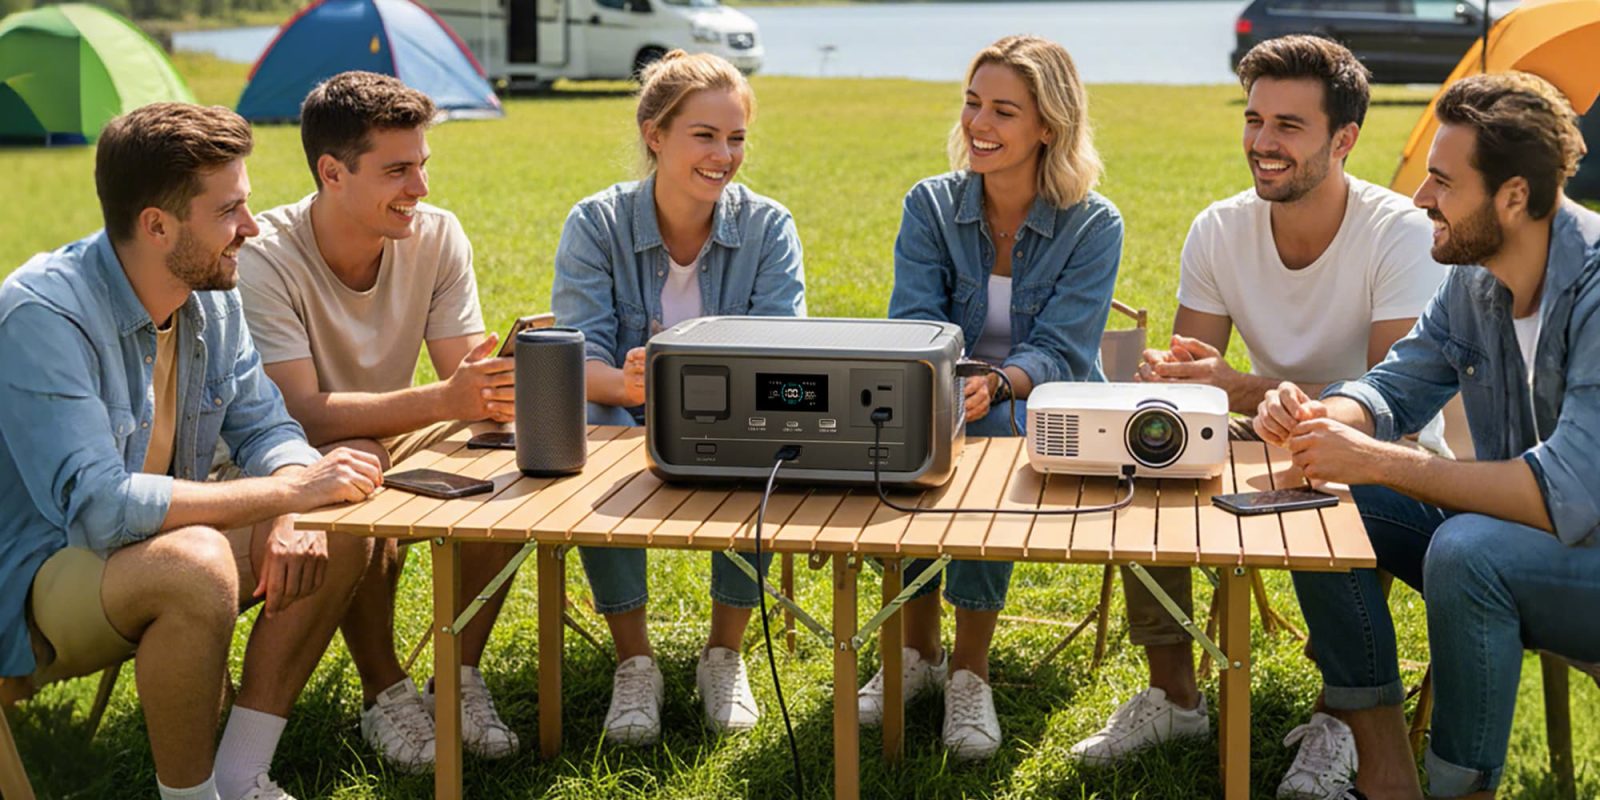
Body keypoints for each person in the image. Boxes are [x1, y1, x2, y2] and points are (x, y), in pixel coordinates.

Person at [1070, 35, 1448, 799]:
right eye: (1254, 120)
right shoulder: (1219, 227)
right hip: (1267, 441)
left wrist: (1241, 388)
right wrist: (1179, 382)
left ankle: (1342, 721)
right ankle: (1175, 697)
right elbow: (1192, 385)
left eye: (1287, 126)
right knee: (1150, 458)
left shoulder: (1398, 232)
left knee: (1323, 486)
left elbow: (1389, 401)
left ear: (1344, 139)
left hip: (1396, 461)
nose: (1262, 144)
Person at [0, 103, 382, 800]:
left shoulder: (209, 293)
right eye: (229, 210)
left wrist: (300, 508)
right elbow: (103, 511)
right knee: (197, 563)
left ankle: (240, 775)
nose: (253, 227)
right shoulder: (41, 315)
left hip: (142, 550)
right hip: (35, 575)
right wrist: (289, 493)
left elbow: (266, 429)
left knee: (338, 527)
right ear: (157, 225)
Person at [1256, 71, 1600, 800]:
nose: (1419, 200)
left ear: (1513, 195)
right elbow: (1393, 384)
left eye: (1441, 181)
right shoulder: (1475, 279)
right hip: (1522, 541)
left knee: (1468, 551)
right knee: (1323, 492)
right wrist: (1324, 423)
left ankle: (1458, 790)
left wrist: (1378, 459)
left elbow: (1566, 494)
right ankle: (1381, 758)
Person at [234, 71, 524, 770]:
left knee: (509, 455)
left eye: (422, 165)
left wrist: (496, 392)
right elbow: (299, 411)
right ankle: (385, 691)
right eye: (398, 170)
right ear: (332, 173)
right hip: (284, 454)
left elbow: (466, 381)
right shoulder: (264, 257)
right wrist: (447, 399)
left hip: (391, 432)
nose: (420, 188)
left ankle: (459, 675)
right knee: (357, 462)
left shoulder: (436, 235)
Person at [864, 34, 1122, 760]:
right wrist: (950, 384)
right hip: (947, 387)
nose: (979, 123)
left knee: (998, 432)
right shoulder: (931, 205)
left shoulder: (1093, 223)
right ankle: (916, 652)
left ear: (1050, 125)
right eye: (974, 103)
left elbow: (1067, 351)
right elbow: (915, 323)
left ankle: (969, 668)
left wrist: (997, 383)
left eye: (1004, 111)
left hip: (1047, 405)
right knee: (915, 426)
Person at [550, 50, 806, 745]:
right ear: (655, 135)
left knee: (762, 426)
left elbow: (777, 351)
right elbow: (578, 361)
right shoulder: (597, 223)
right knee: (588, 417)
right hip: (618, 403)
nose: (723, 155)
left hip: (730, 413)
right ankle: (635, 659)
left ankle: (724, 653)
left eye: (736, 138)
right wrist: (632, 386)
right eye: (705, 135)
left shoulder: (767, 227)